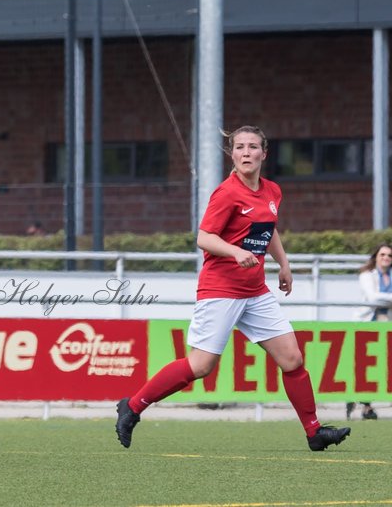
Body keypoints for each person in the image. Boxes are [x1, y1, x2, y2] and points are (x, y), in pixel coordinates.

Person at [114, 125, 350, 453]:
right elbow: (204, 238)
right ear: (233, 154)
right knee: (200, 366)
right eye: (239, 147)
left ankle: (314, 432)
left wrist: (284, 264)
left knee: (293, 359)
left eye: (253, 147)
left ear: (264, 153)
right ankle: (133, 406)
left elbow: (269, 229)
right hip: (220, 289)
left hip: (255, 292)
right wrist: (236, 251)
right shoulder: (226, 193)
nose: (246, 153)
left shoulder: (272, 191)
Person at [346, 242, 392, 420]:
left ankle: (362, 402)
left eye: (389, 255)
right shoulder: (367, 275)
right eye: (383, 255)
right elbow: (372, 298)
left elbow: (379, 298)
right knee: (366, 365)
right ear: (376, 257)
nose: (386, 258)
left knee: (382, 365)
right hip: (367, 324)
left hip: (385, 324)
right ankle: (366, 405)